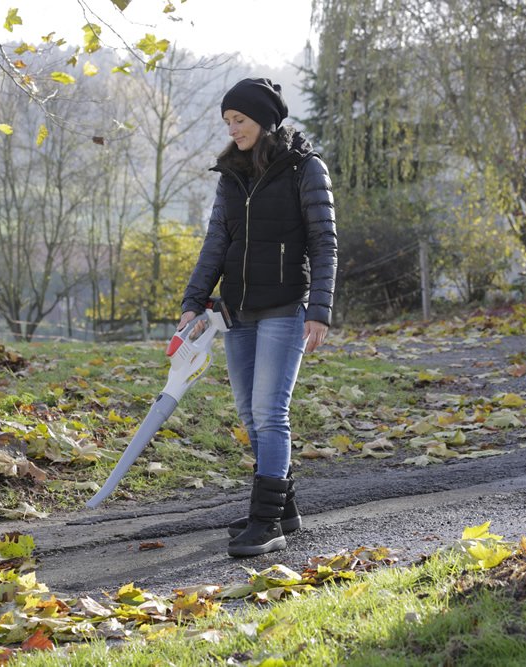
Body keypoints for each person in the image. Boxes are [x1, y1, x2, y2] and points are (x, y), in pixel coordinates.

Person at [177, 77, 337, 557]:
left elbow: (324, 243)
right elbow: (216, 241)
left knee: (270, 413)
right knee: (250, 414)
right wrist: (193, 300)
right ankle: (282, 508)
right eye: (228, 122)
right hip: (237, 312)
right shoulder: (231, 173)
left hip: (285, 309)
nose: (232, 130)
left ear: (264, 120)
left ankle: (267, 524)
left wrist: (320, 311)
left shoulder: (305, 168)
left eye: (240, 120)